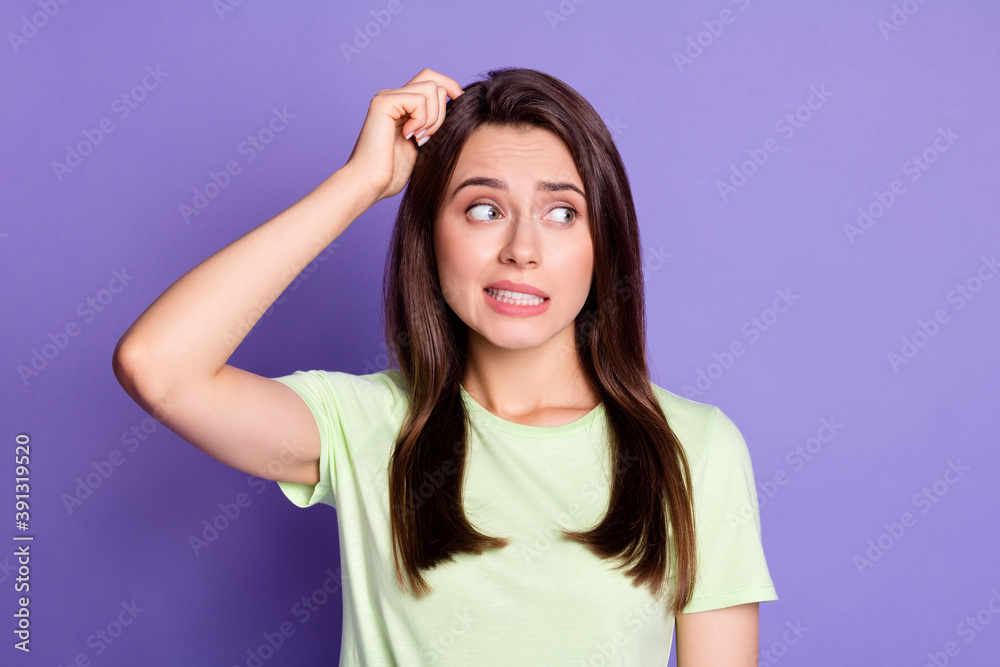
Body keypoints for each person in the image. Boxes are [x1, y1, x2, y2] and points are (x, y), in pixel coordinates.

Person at [113, 66, 778, 665]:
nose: (522, 248)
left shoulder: (695, 448)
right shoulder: (365, 424)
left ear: (602, 241)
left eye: (561, 212)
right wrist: (360, 183)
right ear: (431, 236)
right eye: (484, 209)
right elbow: (158, 367)